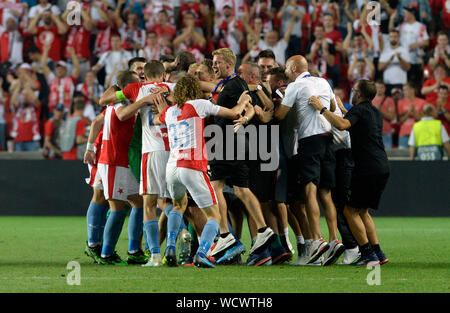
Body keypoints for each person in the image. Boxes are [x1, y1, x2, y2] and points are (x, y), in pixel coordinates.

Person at [153, 74, 252, 268]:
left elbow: (158, 119)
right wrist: (242, 103)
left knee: (178, 205)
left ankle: (170, 247)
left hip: (172, 166)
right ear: (194, 90)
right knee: (214, 215)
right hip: (192, 166)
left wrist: (163, 109)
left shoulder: (171, 111)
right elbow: (233, 114)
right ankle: (202, 253)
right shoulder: (198, 104)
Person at [309, 79, 390, 266]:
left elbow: (343, 125)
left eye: (354, 90)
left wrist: (322, 109)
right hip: (382, 165)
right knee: (362, 210)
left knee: (349, 210)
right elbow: (357, 122)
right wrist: (344, 111)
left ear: (359, 94)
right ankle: (378, 252)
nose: (352, 93)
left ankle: (367, 254)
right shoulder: (374, 112)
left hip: (366, 167)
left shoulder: (358, 110)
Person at [207, 48, 276, 262]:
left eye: (217, 62)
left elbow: (251, 106)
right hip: (233, 140)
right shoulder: (234, 85)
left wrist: (243, 116)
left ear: (229, 65)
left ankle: (225, 234)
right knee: (242, 189)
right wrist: (246, 117)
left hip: (224, 139)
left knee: (215, 186)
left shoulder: (235, 84)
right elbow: (252, 106)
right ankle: (263, 229)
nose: (213, 66)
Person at [274, 55, 344, 265]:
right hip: (327, 138)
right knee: (326, 192)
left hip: (309, 140)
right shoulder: (323, 81)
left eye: (287, 67)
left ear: (294, 68)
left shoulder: (296, 85)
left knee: (310, 189)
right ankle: (333, 239)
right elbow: (332, 107)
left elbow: (280, 115)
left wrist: (275, 104)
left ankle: (316, 240)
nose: (285, 71)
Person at [378, 29, 411, 95]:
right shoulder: (385, 51)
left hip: (401, 82)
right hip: (387, 82)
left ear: (398, 38)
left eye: (395, 36)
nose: (393, 38)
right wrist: (389, 60)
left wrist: (400, 58)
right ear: (389, 38)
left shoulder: (404, 50)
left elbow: (408, 68)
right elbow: (379, 68)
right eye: (391, 36)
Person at [397, 82, 426, 148]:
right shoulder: (400, 102)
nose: (404, 92)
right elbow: (400, 121)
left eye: (406, 90)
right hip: (404, 134)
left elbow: (422, 120)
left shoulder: (422, 102)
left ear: (412, 90)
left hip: (418, 132)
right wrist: (409, 112)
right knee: (402, 157)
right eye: (403, 90)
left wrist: (414, 113)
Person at [373, 81, 396, 149]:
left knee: (387, 155)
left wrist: (380, 111)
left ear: (385, 88)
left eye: (381, 87)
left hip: (386, 132)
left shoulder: (389, 100)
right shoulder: (369, 100)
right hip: (372, 133)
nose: (379, 89)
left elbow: (392, 117)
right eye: (377, 87)